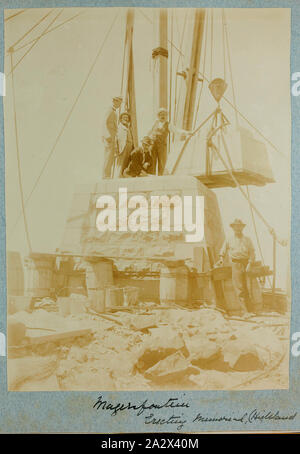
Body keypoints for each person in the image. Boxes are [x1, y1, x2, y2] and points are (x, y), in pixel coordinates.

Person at [217, 219, 255, 313]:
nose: (238, 228)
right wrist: (221, 259)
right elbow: (223, 250)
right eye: (236, 226)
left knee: (248, 287)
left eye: (239, 226)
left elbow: (252, 252)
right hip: (235, 264)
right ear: (233, 228)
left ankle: (251, 310)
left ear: (242, 227)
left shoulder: (247, 239)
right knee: (239, 288)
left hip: (246, 264)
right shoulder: (229, 239)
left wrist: (250, 263)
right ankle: (244, 312)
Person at [148, 107, 191, 176]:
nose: (163, 116)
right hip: (153, 145)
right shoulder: (155, 123)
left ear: (166, 116)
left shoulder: (168, 125)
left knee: (162, 163)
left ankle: (160, 177)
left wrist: (187, 132)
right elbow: (148, 132)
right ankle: (151, 177)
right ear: (158, 116)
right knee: (152, 162)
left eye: (164, 114)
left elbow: (177, 131)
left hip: (162, 146)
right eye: (161, 114)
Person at [102, 96, 122, 179]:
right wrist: (107, 136)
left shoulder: (114, 111)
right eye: (119, 103)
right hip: (109, 138)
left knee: (111, 157)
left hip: (113, 137)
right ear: (114, 101)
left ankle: (107, 175)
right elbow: (104, 123)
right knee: (108, 156)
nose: (119, 105)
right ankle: (106, 175)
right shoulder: (109, 110)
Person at [115, 112, 134, 177]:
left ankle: (123, 176)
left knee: (126, 163)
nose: (126, 119)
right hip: (122, 147)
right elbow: (116, 138)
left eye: (127, 118)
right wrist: (116, 149)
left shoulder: (129, 127)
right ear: (121, 119)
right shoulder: (118, 127)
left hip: (129, 147)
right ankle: (118, 176)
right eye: (124, 117)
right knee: (120, 163)